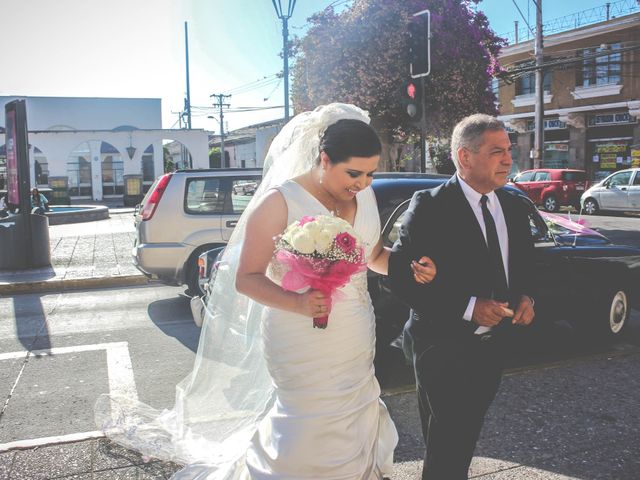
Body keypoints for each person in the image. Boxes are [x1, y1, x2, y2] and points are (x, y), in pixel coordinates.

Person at [95, 103, 435, 479]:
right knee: (305, 425)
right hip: (297, 333)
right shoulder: (280, 202)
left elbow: (371, 256)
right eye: (353, 172)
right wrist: (299, 302)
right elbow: (248, 277)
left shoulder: (364, 196)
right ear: (324, 158)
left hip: (354, 330)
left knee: (354, 413)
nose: (362, 183)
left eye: (371, 173)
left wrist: (406, 267)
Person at [387, 113, 536, 480]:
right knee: (451, 438)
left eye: (508, 150)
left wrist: (526, 297)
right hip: (442, 346)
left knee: (457, 438)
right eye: (496, 151)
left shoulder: (513, 206)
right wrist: (469, 307)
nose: (507, 159)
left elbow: (526, 265)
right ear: (465, 157)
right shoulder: (430, 206)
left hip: (492, 348)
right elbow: (401, 278)